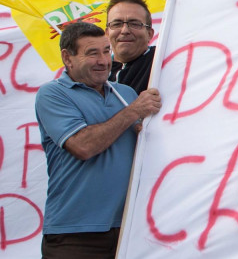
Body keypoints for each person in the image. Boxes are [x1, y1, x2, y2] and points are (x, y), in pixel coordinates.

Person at [34, 22, 162, 258]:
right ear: (67, 58)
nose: (104, 61)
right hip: (75, 234)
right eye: (92, 53)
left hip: (130, 228)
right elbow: (83, 146)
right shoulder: (52, 94)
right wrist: (133, 112)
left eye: (106, 50)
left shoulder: (125, 94)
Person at [107, 0, 180, 94]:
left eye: (135, 24)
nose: (125, 30)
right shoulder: (92, 74)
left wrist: (176, 3)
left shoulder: (164, 58)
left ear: (150, 34)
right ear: (106, 33)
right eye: (117, 24)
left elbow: (191, 36)